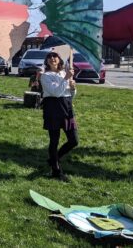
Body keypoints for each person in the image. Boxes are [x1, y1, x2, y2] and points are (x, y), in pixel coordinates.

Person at [40, 52, 78, 182]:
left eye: (55, 56)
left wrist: (73, 88)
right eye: (49, 57)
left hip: (67, 109)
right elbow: (56, 93)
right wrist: (66, 79)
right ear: (47, 61)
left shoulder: (64, 73)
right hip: (53, 109)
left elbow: (69, 94)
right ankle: (56, 171)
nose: (52, 58)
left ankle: (53, 158)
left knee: (74, 140)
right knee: (54, 140)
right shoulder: (45, 76)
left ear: (59, 59)